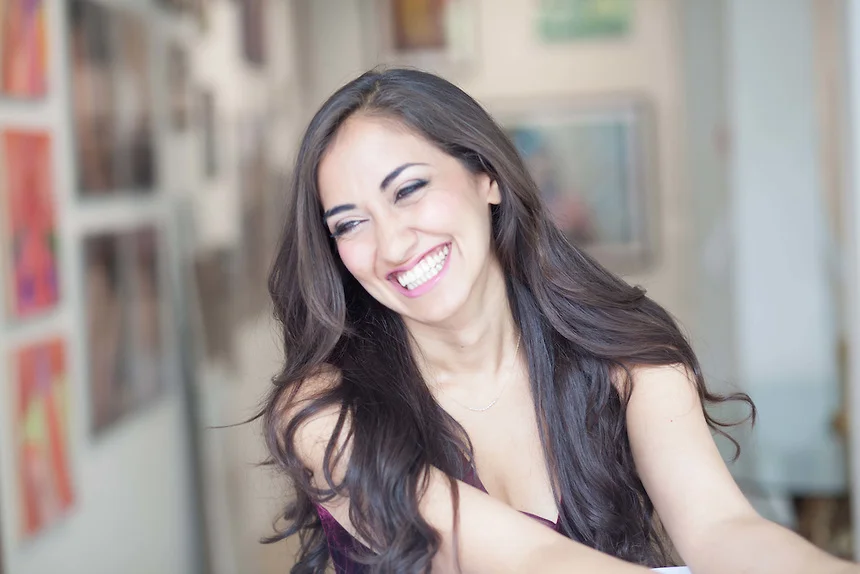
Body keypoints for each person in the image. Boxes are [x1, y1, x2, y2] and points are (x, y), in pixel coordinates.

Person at [259, 68, 858, 574]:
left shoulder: (624, 355)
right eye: (349, 224)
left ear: (487, 177)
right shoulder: (324, 410)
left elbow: (722, 528)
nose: (391, 244)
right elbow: (531, 559)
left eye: (409, 189)